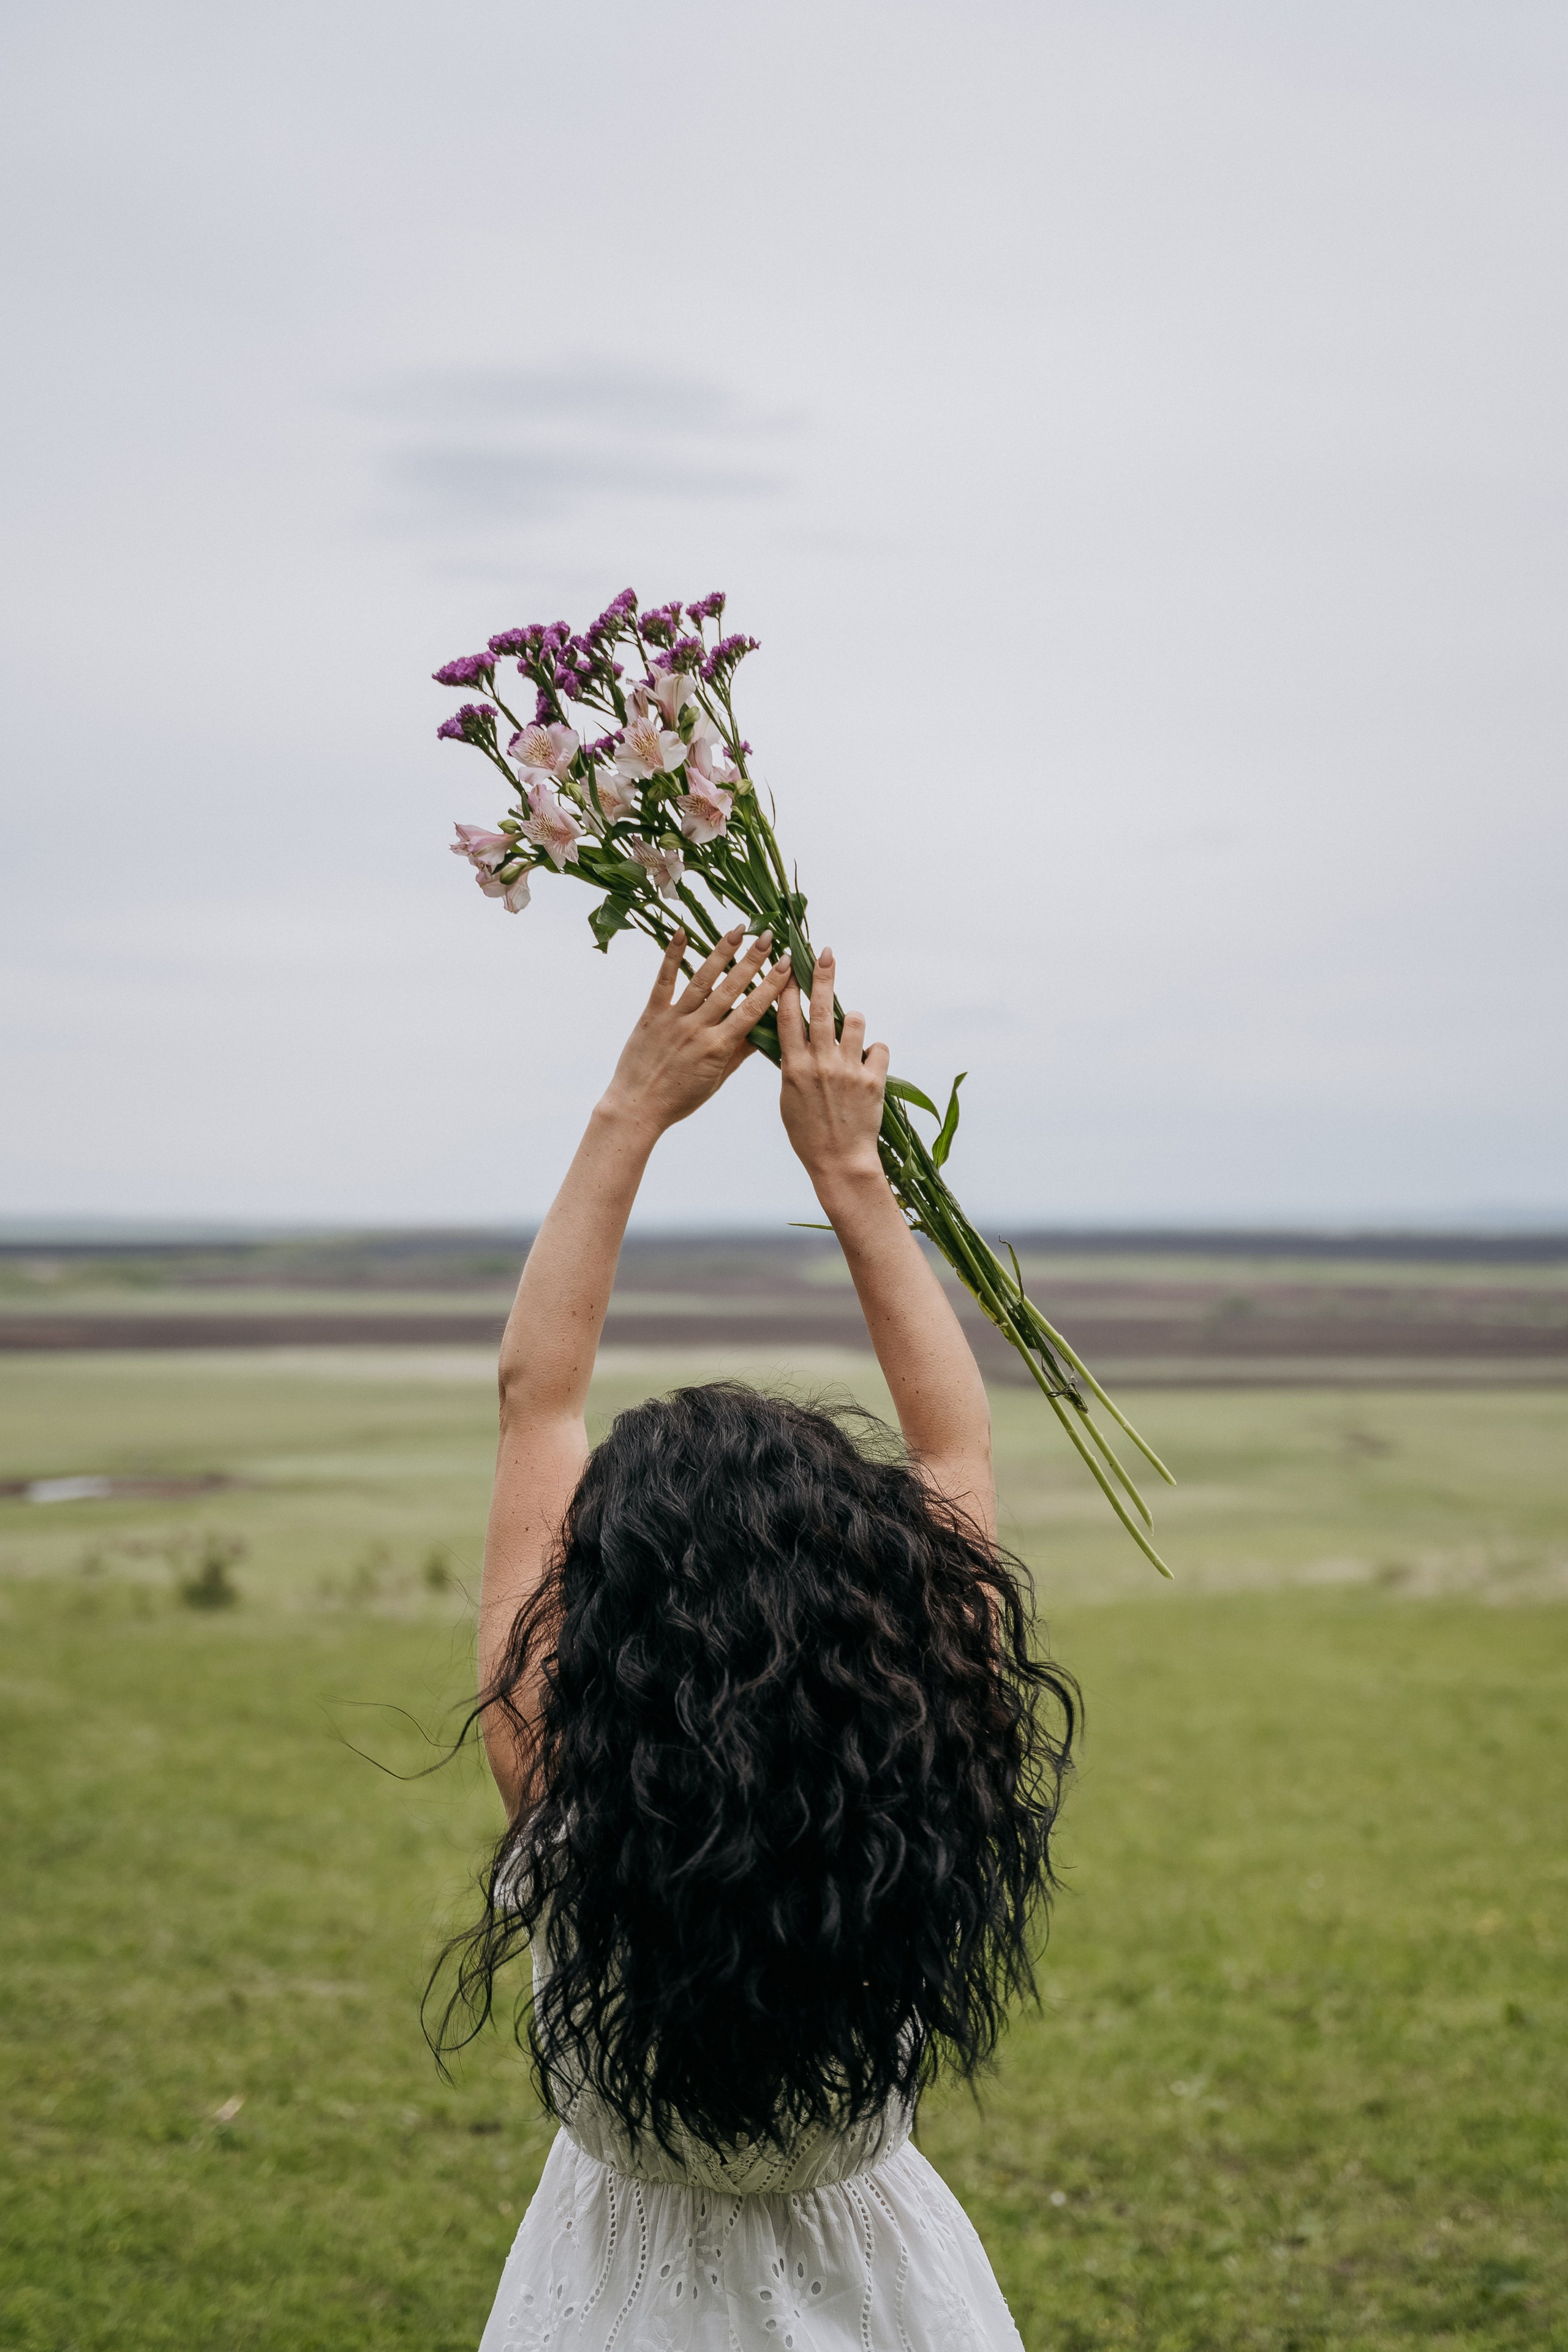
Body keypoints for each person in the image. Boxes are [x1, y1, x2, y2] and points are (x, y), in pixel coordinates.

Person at [436, 925, 1077, 2352]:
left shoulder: (555, 1776)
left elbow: (536, 1400)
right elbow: (950, 1437)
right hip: (891, 2291)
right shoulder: (929, 1730)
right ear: (872, 1591)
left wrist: (632, 1109)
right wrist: (850, 1172)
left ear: (603, 1609)